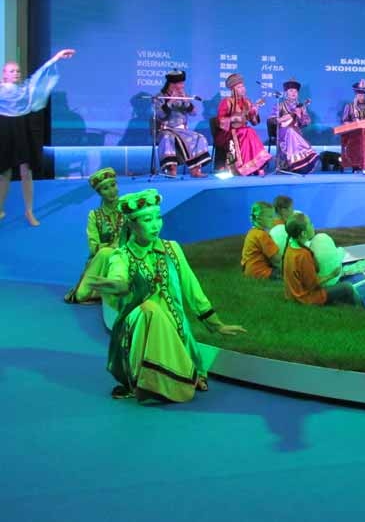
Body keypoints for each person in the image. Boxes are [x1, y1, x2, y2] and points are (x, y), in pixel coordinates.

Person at [83, 189, 246, 401]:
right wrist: (118, 285)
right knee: (149, 310)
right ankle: (145, 377)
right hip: (139, 326)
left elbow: (192, 288)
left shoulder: (172, 249)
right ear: (131, 224)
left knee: (162, 317)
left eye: (158, 218)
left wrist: (216, 325)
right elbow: (118, 275)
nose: (155, 225)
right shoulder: (121, 256)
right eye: (147, 220)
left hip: (176, 327)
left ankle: (181, 370)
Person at [0, 48, 76, 226]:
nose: (16, 73)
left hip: (22, 129)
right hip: (5, 130)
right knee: (4, 173)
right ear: (4, 74)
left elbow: (41, 73)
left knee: (26, 172)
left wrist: (57, 57)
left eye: (18, 71)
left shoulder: (26, 89)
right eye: (12, 71)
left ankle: (29, 211)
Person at [64, 167, 127, 304]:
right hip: (103, 258)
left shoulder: (128, 208)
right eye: (105, 188)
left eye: (113, 185)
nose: (112, 191)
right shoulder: (94, 215)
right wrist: (113, 246)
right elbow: (93, 247)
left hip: (127, 256)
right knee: (81, 295)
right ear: (99, 193)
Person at [282, 212, 365, 308]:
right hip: (306, 299)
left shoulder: (290, 248)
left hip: (293, 295)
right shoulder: (303, 256)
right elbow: (313, 285)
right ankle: (363, 310)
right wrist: (332, 275)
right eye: (310, 224)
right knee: (348, 287)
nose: (313, 226)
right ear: (303, 233)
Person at [155, 69, 210, 177]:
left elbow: (194, 113)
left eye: (182, 83)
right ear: (172, 84)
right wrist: (170, 101)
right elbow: (160, 115)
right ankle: (171, 170)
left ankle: (195, 170)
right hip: (166, 129)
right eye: (180, 84)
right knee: (168, 138)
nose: (182, 86)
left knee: (199, 137)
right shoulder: (160, 96)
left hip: (182, 130)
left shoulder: (183, 95)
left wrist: (185, 101)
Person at [215, 73, 271, 176]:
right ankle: (243, 168)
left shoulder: (247, 102)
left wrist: (254, 112)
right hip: (229, 132)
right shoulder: (227, 102)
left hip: (244, 130)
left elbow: (254, 122)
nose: (242, 89)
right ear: (233, 89)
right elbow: (220, 121)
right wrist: (233, 118)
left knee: (249, 131)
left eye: (243, 86)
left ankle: (256, 166)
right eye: (239, 87)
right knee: (246, 132)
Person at [274, 79, 318, 174]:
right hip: (283, 131)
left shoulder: (301, 106)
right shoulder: (280, 105)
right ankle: (292, 164)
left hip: (296, 131)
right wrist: (280, 120)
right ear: (286, 93)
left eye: (295, 91)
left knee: (292, 131)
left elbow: (306, 122)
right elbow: (272, 119)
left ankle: (300, 165)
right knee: (290, 131)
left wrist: (299, 116)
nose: (293, 93)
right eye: (291, 91)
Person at [241, 201, 282, 279]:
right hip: (261, 272)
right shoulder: (262, 235)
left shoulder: (252, 232)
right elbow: (276, 259)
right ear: (259, 218)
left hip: (250, 271)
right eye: (270, 217)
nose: (273, 219)